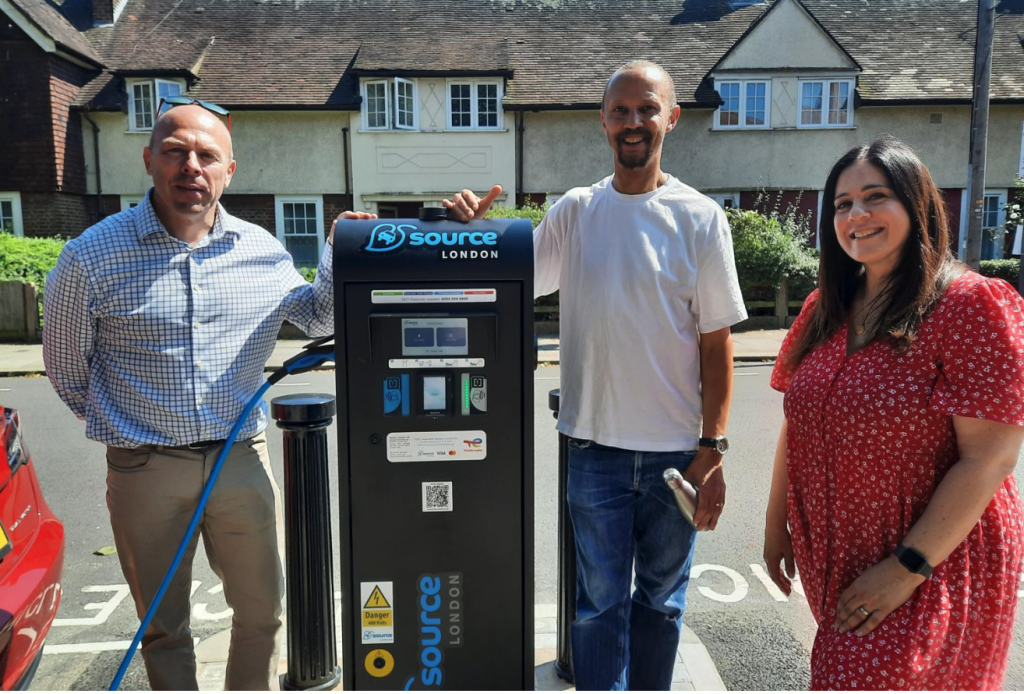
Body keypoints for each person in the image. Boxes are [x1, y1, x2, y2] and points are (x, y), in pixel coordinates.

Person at [42, 101, 373, 690]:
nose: (190, 166)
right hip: (144, 468)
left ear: (229, 170)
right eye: (174, 151)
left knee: (262, 614)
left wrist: (337, 247)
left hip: (240, 460)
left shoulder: (262, 251)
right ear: (148, 160)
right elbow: (66, 369)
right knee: (163, 627)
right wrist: (129, 433)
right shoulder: (89, 256)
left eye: (206, 155)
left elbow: (319, 315)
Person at [444, 60, 747, 690]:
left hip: (674, 458)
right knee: (598, 605)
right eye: (620, 111)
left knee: (661, 603)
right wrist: (474, 234)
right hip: (595, 451)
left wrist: (712, 450)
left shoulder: (698, 218)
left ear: (672, 118)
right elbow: (513, 279)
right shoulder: (577, 211)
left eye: (647, 109)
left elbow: (717, 346)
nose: (633, 123)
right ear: (603, 121)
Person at [764, 136, 1024, 690]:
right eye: (841, 204)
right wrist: (774, 523)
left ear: (917, 204)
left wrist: (905, 568)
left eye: (874, 197)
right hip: (845, 553)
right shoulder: (825, 306)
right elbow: (799, 417)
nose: (856, 215)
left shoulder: (969, 303)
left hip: (935, 557)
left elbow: (990, 458)